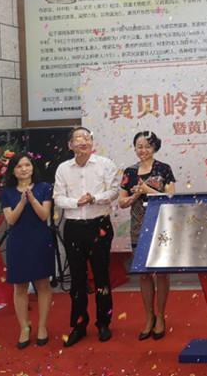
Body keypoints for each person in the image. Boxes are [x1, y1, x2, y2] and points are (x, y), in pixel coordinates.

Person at [53, 127, 119, 347]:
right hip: (73, 227)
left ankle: (103, 322)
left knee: (101, 276)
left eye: (87, 138)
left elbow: (113, 192)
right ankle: (79, 325)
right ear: (70, 145)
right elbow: (58, 197)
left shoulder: (105, 164)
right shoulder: (63, 168)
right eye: (78, 138)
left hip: (99, 226)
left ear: (92, 143)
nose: (83, 141)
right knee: (77, 279)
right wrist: (76, 202)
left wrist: (94, 198)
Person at [119, 131, 175, 340]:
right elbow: (122, 202)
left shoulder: (163, 168)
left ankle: (160, 316)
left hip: (161, 227)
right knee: (144, 274)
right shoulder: (129, 172)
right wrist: (136, 194)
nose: (143, 150)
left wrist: (147, 189)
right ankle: (149, 316)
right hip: (138, 227)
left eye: (147, 146)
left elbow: (170, 197)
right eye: (139, 146)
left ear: (155, 148)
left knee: (161, 273)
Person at [1, 153, 54, 349]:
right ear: (13, 171)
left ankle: (42, 326)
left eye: (27, 165)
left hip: (40, 241)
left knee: (43, 284)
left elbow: (44, 215)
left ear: (33, 167)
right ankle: (24, 327)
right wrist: (22, 202)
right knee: (20, 286)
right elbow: (11, 220)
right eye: (19, 166)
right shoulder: (7, 192)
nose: (24, 169)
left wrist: (31, 198)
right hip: (18, 243)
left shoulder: (44, 187)